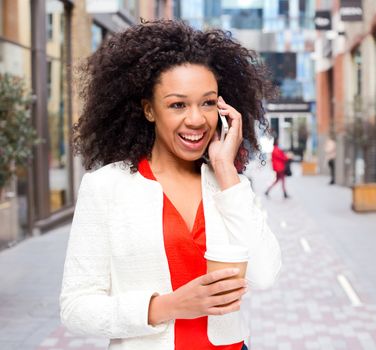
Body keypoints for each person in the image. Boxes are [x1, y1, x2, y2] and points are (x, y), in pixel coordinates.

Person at [60, 20, 281, 350]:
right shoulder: (106, 187)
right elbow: (75, 307)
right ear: (149, 110)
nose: (196, 119)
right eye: (178, 104)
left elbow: (263, 275)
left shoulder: (227, 186)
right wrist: (169, 306)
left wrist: (224, 168)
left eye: (207, 102)